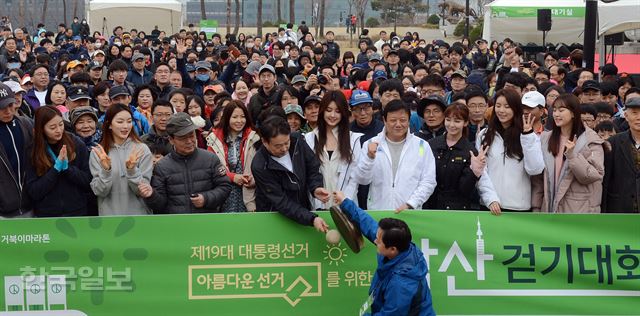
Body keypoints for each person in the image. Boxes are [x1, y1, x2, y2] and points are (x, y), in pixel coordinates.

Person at [332, 190, 435, 316]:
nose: (375, 241)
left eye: (379, 242)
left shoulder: (401, 284)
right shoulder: (397, 246)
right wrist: (345, 202)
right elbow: (368, 225)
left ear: (392, 249)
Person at [139, 112, 232, 213]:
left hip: (206, 221)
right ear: (171, 140)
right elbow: (160, 204)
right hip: (176, 224)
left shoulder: (210, 159)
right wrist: (151, 195)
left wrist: (206, 198)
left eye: (191, 135)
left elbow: (225, 187)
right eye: (182, 138)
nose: (189, 141)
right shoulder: (162, 167)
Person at [251, 115, 331, 232]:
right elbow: (281, 202)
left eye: (286, 143)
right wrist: (311, 218)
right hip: (274, 217)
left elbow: (312, 167)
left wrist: (315, 187)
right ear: (264, 142)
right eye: (278, 146)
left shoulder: (297, 140)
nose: (284, 149)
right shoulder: (260, 166)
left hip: (302, 210)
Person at [353, 100, 436, 211]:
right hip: (379, 211)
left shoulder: (422, 146)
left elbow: (428, 181)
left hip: (410, 212)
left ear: (408, 121)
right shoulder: (371, 144)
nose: (398, 124)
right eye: (393, 120)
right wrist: (369, 158)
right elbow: (362, 180)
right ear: (384, 120)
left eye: (402, 120)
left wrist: (412, 203)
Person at [477, 89, 545, 215]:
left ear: (516, 109)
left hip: (519, 207)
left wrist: (528, 136)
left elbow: (535, 169)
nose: (501, 110)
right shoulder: (484, 135)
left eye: (507, 107)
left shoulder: (528, 135)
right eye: (498, 106)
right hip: (490, 207)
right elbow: (481, 172)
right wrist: (490, 199)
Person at [534, 94, 604, 213]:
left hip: (578, 211)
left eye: (561, 110)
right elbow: (540, 178)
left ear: (573, 113)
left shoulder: (590, 139)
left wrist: (572, 156)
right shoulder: (546, 139)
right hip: (549, 209)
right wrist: (536, 206)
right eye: (554, 110)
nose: (556, 114)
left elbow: (594, 175)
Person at [25, 106, 92, 217]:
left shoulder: (76, 143)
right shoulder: (33, 150)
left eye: (61, 125)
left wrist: (68, 169)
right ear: (41, 129)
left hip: (77, 211)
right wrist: (55, 170)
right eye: (52, 127)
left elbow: (87, 182)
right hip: (47, 214)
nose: (58, 130)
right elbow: (34, 191)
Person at [89, 103, 153, 216]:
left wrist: (132, 170)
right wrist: (106, 170)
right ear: (109, 125)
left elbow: (143, 190)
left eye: (129, 121)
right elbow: (99, 191)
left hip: (139, 217)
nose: (125, 126)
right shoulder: (99, 153)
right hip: (109, 219)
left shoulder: (141, 149)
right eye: (120, 122)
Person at [304, 91, 363, 209]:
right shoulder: (310, 138)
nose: (332, 115)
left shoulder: (353, 139)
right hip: (319, 205)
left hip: (346, 206)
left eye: (338, 111)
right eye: (329, 110)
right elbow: (309, 173)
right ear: (322, 111)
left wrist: (345, 200)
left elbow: (355, 177)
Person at [426, 103, 485, 210]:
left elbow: (465, 190)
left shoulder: (470, 151)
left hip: (456, 209)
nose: (451, 125)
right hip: (431, 205)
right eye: (448, 120)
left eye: (457, 121)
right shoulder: (431, 144)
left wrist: (474, 173)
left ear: (465, 123)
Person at [206, 101, 260, 212]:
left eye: (243, 117)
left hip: (249, 193)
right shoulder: (214, 139)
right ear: (227, 118)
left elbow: (260, 165)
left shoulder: (254, 138)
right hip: (224, 193)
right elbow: (211, 167)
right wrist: (232, 177)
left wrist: (252, 179)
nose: (239, 121)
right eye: (234, 117)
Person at [0, 82, 34, 218]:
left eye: (10, 105)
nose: (8, 111)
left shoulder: (25, 123)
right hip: (3, 212)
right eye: (2, 108)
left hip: (30, 205)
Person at [602, 97, 640, 213]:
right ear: (626, 116)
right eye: (634, 113)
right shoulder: (613, 142)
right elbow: (606, 180)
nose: (639, 118)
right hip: (619, 210)